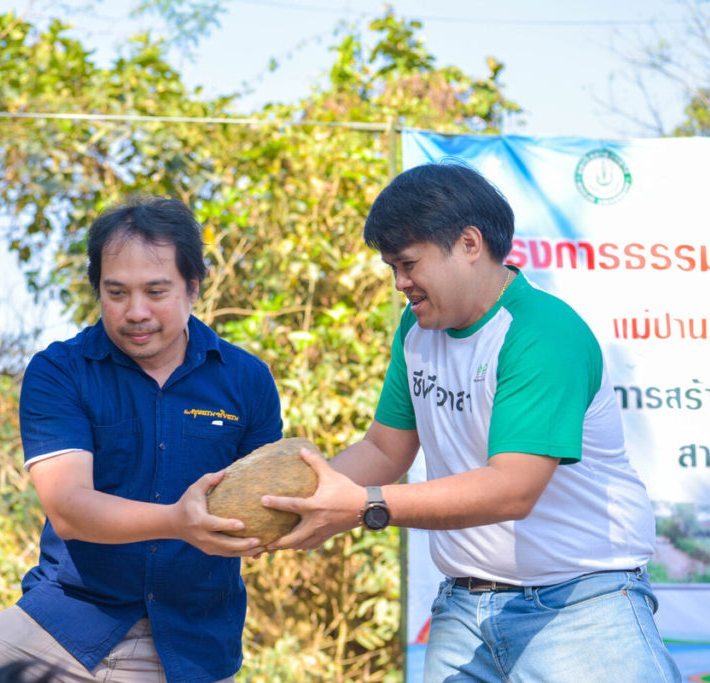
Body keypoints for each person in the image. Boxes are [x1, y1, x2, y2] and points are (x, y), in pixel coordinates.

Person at [263, 163, 683, 682]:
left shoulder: (543, 331)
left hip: (582, 607)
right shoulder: (417, 331)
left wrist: (365, 506)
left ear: (468, 243)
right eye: (391, 267)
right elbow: (383, 450)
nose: (400, 284)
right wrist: (289, 506)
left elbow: (512, 489)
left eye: (409, 264)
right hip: (464, 608)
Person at [0, 196, 283, 683]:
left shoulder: (247, 380)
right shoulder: (60, 372)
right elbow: (69, 507)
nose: (135, 312)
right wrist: (176, 522)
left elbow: (262, 503)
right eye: (116, 292)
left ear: (194, 286)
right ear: (97, 289)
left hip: (196, 643)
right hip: (68, 622)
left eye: (156, 292)